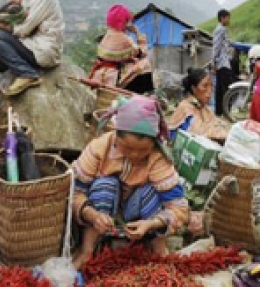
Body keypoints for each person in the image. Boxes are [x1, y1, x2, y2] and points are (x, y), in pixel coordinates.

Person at [70, 95, 190, 270]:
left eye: (143, 150)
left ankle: (158, 252)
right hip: (103, 210)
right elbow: (74, 192)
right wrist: (92, 215)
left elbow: (178, 207)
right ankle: (87, 250)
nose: (135, 155)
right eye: (127, 148)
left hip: (138, 214)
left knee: (153, 191)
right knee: (105, 184)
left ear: (154, 143)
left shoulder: (158, 158)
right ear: (116, 137)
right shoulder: (99, 148)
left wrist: (151, 223)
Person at [87, 4, 155, 95]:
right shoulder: (124, 39)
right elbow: (142, 53)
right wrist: (137, 33)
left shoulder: (107, 35)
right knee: (145, 64)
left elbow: (115, 57)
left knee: (133, 62)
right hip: (113, 78)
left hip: (99, 74)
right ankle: (136, 94)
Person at [167, 67, 230, 141]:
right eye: (205, 86)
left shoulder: (204, 108)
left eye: (211, 86)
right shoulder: (186, 108)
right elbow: (199, 134)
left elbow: (217, 124)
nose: (209, 91)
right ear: (194, 89)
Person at [213, 9, 233, 116]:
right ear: (222, 18)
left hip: (221, 63)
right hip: (223, 63)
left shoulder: (220, 29)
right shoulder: (221, 29)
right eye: (228, 17)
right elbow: (216, 47)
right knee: (227, 89)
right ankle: (226, 112)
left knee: (220, 89)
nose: (229, 20)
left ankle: (219, 112)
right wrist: (213, 61)